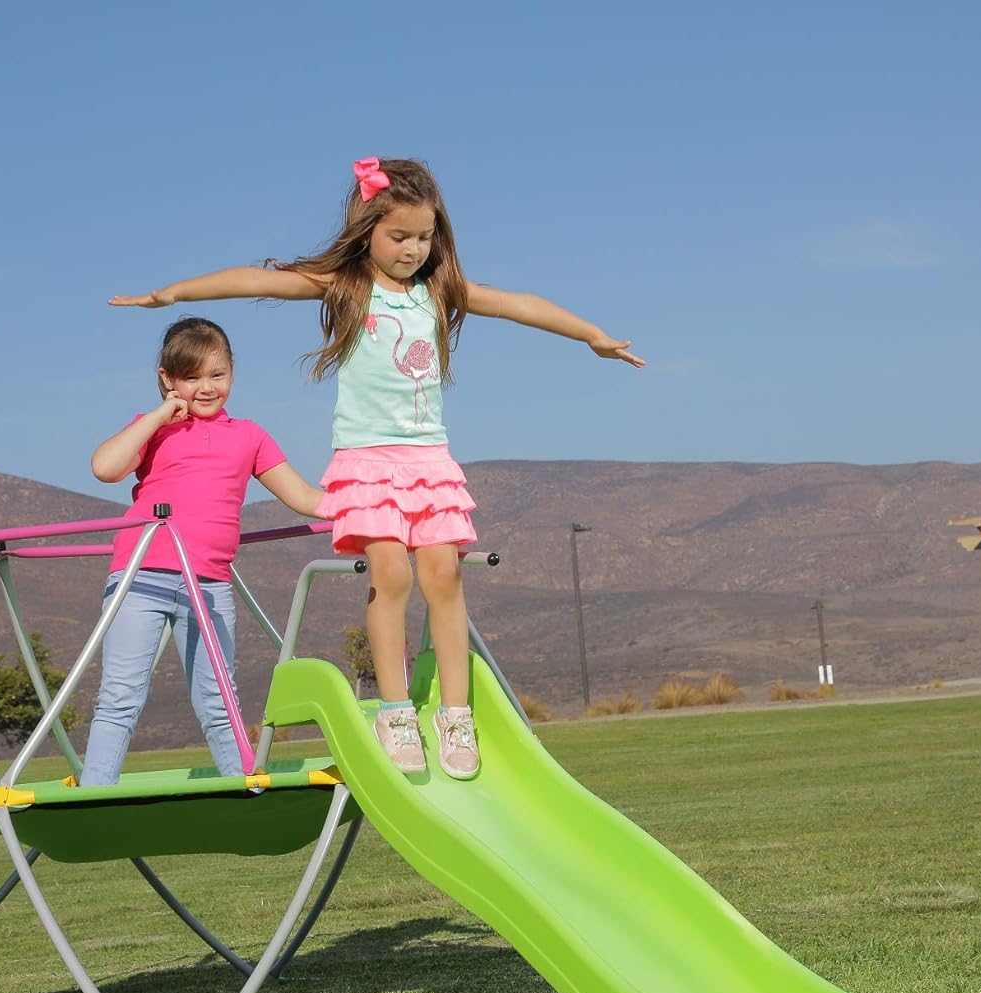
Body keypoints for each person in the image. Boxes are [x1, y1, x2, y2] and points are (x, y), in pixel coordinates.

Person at [109, 157, 643, 780]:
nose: (414, 249)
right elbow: (258, 282)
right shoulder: (347, 285)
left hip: (428, 457)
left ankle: (454, 713)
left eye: (425, 236)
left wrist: (592, 335)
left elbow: (518, 303)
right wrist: (173, 293)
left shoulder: (438, 290)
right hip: (366, 459)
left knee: (443, 575)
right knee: (390, 572)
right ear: (369, 231)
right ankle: (394, 711)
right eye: (400, 237)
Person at [80, 316, 323, 784]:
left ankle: (245, 789)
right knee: (120, 696)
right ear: (167, 380)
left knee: (219, 700)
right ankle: (94, 795)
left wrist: (367, 503)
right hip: (141, 578)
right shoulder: (152, 429)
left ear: (233, 372)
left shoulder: (249, 435)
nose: (206, 388)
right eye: (191, 378)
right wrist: (157, 416)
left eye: (217, 375)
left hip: (208, 585)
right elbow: (105, 468)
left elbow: (305, 498)